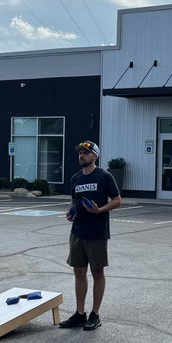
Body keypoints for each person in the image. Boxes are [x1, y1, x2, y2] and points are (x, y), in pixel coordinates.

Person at [58, 141, 122, 331]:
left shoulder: (104, 176)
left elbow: (118, 200)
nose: (82, 156)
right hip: (77, 232)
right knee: (78, 272)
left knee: (97, 272)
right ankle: (80, 314)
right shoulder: (75, 178)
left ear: (95, 156)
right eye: (80, 153)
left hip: (97, 232)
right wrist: (71, 213)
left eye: (86, 153)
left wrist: (100, 210)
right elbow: (74, 202)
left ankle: (95, 314)